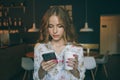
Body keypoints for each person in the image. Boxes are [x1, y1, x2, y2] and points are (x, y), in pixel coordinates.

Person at [33, 6, 85, 80]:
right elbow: (36, 78)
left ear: (66, 26)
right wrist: (42, 70)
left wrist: (74, 71)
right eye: (50, 26)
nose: (55, 31)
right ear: (46, 28)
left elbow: (81, 77)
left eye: (59, 26)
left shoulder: (77, 49)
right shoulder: (39, 47)